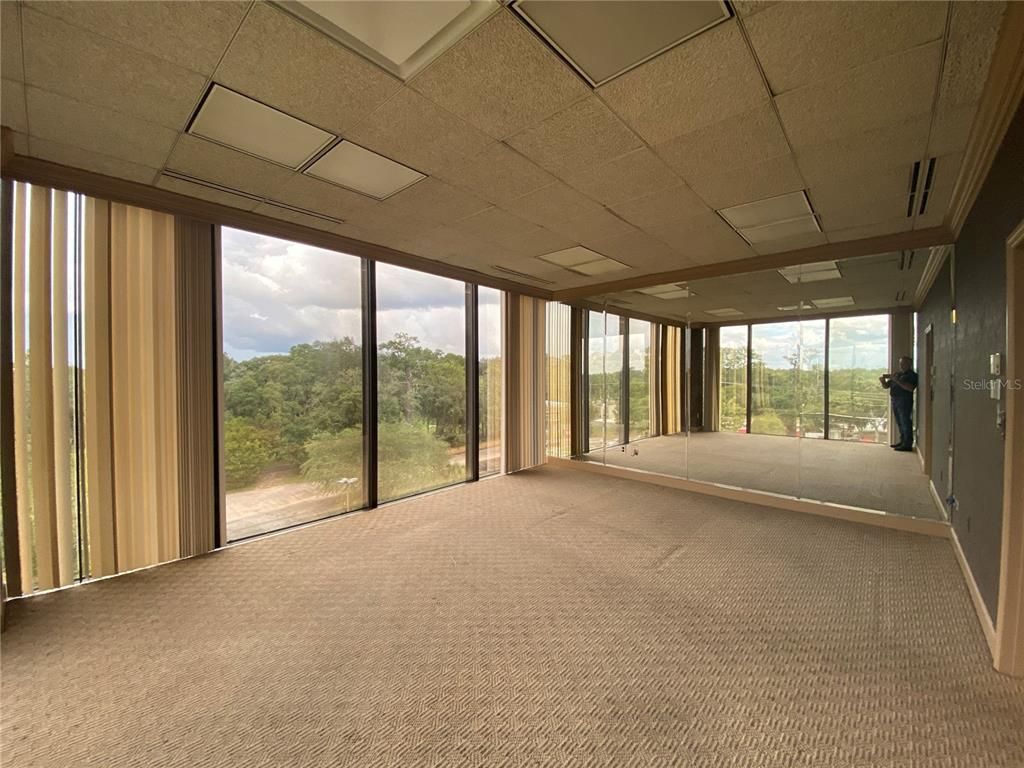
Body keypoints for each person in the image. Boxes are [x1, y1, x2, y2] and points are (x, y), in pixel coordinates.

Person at [880, 356, 918, 451]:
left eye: (904, 363)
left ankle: (907, 444)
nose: (901, 365)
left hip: (905, 400)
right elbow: (886, 386)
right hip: (895, 399)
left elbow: (910, 388)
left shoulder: (912, 375)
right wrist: (883, 381)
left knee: (905, 421)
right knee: (899, 421)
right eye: (901, 363)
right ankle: (902, 441)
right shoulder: (897, 374)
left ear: (909, 364)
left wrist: (897, 380)